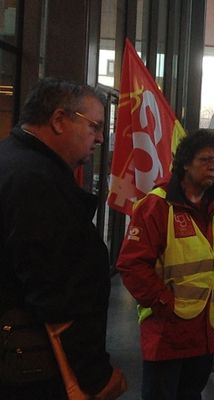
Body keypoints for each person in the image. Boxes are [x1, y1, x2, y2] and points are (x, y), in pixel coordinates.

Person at [0, 78, 126, 399]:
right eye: (94, 126)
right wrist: (95, 376)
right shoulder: (35, 181)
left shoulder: (14, 161)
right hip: (32, 364)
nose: (99, 137)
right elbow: (57, 292)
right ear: (58, 120)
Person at [117, 130, 214, 399]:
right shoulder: (158, 204)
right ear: (186, 162)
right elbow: (132, 264)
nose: (213, 167)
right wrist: (164, 303)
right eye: (206, 160)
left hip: (208, 331)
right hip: (168, 331)